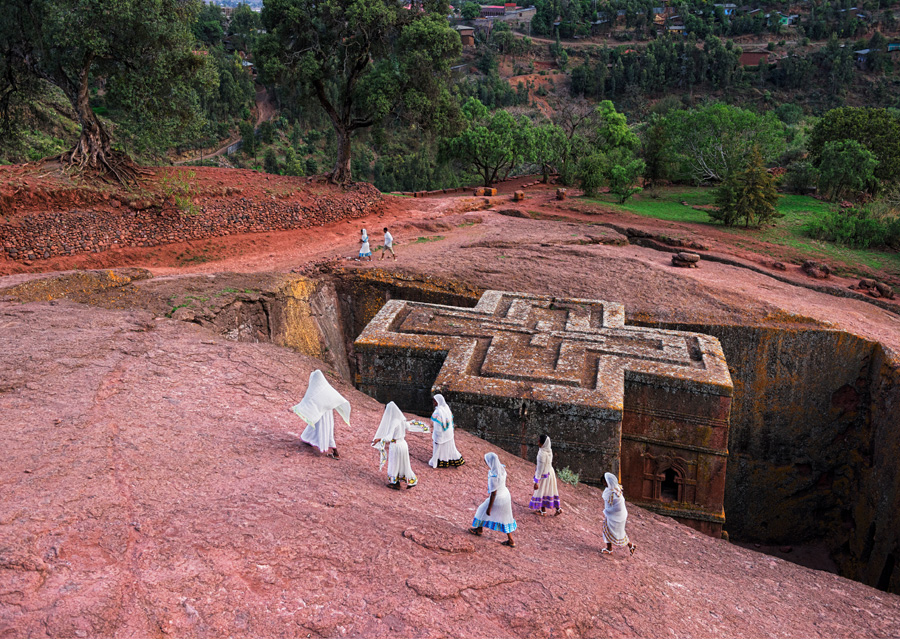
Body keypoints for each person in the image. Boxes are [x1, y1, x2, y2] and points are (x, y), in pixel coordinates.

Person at [291, 370, 351, 459]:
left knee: (326, 431)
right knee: (315, 427)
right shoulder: (325, 387)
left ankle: (335, 453)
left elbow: (309, 400)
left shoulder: (317, 388)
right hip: (326, 414)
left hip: (322, 415)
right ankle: (307, 438)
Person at [371, 401, 430, 490]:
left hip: (396, 445)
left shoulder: (393, 422)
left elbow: (389, 437)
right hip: (403, 444)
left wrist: (379, 439)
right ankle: (410, 480)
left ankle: (395, 483)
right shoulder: (401, 419)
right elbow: (408, 426)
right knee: (404, 464)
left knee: (394, 464)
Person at [468, 452, 517, 547]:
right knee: (506, 518)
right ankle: (511, 540)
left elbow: (493, 494)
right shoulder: (501, 469)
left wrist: (489, 508)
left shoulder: (494, 476)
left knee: (481, 510)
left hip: (498, 497)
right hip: (506, 495)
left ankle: (479, 529)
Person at [601, 472, 636, 556]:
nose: (604, 484)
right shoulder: (612, 489)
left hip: (617, 516)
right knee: (613, 531)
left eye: (605, 482)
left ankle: (610, 549)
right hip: (615, 515)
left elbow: (618, 508)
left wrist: (608, 511)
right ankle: (630, 545)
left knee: (613, 531)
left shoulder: (616, 495)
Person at [428, 394, 465, 468]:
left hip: (442, 434)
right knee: (448, 447)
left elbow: (438, 427)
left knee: (439, 449)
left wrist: (437, 438)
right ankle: (451, 459)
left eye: (435, 401)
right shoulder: (446, 408)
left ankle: (437, 462)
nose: (434, 403)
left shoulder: (438, 412)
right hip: (449, 433)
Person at [529, 434, 562, 516]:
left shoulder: (541, 454)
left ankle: (543, 511)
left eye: (539, 441)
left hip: (544, 475)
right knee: (551, 491)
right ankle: (558, 509)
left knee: (542, 491)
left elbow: (540, 469)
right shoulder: (549, 450)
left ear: (543, 443)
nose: (538, 442)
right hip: (550, 473)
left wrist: (536, 481)